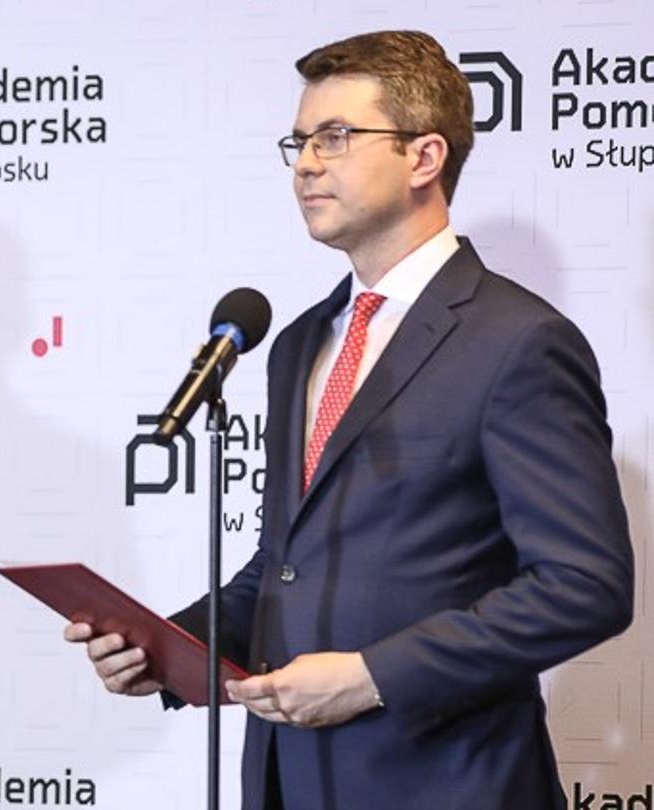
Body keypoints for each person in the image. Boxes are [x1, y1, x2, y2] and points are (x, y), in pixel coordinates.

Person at [67, 30, 633, 809]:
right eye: (298, 141)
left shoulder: (519, 343)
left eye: (335, 137)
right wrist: (169, 648)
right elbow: (286, 567)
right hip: (289, 779)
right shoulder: (298, 343)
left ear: (424, 158)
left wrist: (373, 678)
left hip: (445, 781)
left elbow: (584, 586)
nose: (305, 163)